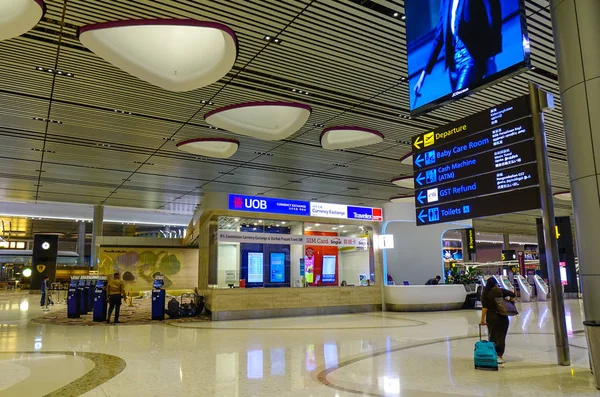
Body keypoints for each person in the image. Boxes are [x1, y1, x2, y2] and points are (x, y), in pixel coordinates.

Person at [414, 0, 502, 97]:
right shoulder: (445, 2)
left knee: (460, 98)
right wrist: (423, 76)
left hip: (472, 57)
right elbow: (439, 38)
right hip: (453, 65)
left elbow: (494, 10)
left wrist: (491, 56)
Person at [480, 277, 516, 364]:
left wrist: (482, 319)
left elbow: (484, 307)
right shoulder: (500, 291)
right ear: (495, 283)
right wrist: (511, 302)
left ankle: (492, 354)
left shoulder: (485, 293)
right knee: (501, 336)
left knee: (492, 336)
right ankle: (500, 355)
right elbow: (512, 294)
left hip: (491, 317)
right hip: (502, 316)